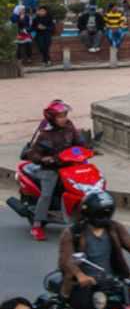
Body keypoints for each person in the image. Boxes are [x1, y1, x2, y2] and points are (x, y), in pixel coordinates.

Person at [19, 100, 87, 241]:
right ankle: (37, 226)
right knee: (46, 195)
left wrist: (86, 148)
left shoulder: (69, 127)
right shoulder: (45, 134)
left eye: (65, 115)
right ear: (52, 118)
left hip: (68, 166)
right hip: (50, 169)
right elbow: (33, 154)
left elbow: (79, 142)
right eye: (61, 116)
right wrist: (44, 159)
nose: (64, 119)